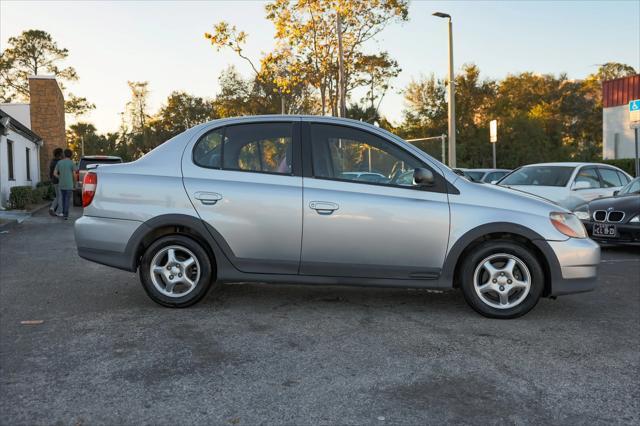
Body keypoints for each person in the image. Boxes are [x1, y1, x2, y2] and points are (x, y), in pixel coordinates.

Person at [54, 149, 77, 220]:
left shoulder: (59, 162)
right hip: (69, 185)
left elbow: (54, 174)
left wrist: (60, 177)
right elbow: (74, 175)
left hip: (61, 184)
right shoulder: (72, 163)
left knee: (63, 199)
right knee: (67, 200)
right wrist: (75, 183)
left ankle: (63, 213)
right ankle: (65, 215)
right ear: (71, 155)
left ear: (64, 154)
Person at [48, 148, 63, 216]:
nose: (63, 154)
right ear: (60, 154)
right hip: (59, 180)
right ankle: (59, 212)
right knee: (60, 196)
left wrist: (51, 179)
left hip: (54, 180)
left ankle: (52, 208)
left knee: (58, 196)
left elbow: (51, 172)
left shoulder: (52, 161)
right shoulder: (60, 162)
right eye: (62, 153)